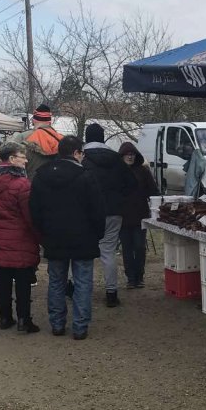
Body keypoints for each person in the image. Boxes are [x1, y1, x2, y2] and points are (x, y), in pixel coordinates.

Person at [29, 135, 106, 340]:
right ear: (76, 153)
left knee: (56, 281)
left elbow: (34, 210)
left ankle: (57, 323)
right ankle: (80, 326)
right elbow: (98, 210)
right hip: (83, 237)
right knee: (82, 282)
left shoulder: (41, 176)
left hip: (53, 236)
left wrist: (42, 234)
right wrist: (98, 234)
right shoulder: (86, 176)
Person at [0, 141, 41, 333]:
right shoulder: (22, 184)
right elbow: (30, 215)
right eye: (23, 157)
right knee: (23, 280)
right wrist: (38, 236)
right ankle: (24, 319)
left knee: (2, 277)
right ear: (12, 159)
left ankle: (4, 317)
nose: (26, 160)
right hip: (20, 238)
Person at [81, 123, 136, 307]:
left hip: (88, 212)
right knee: (108, 251)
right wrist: (119, 197)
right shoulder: (116, 159)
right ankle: (111, 292)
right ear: (103, 137)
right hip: (113, 210)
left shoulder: (82, 159)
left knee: (84, 252)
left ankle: (80, 290)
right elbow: (131, 183)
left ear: (86, 137)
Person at [118, 141, 158, 289]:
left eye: (132, 154)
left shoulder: (143, 171)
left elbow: (153, 191)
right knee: (127, 249)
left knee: (140, 247)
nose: (130, 157)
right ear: (122, 156)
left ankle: (139, 276)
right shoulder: (116, 172)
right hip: (122, 216)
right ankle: (130, 278)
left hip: (140, 215)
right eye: (127, 154)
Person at [23, 104, 63, 180]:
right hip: (56, 183)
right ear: (49, 122)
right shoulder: (63, 140)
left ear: (34, 120)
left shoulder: (24, 137)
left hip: (31, 184)